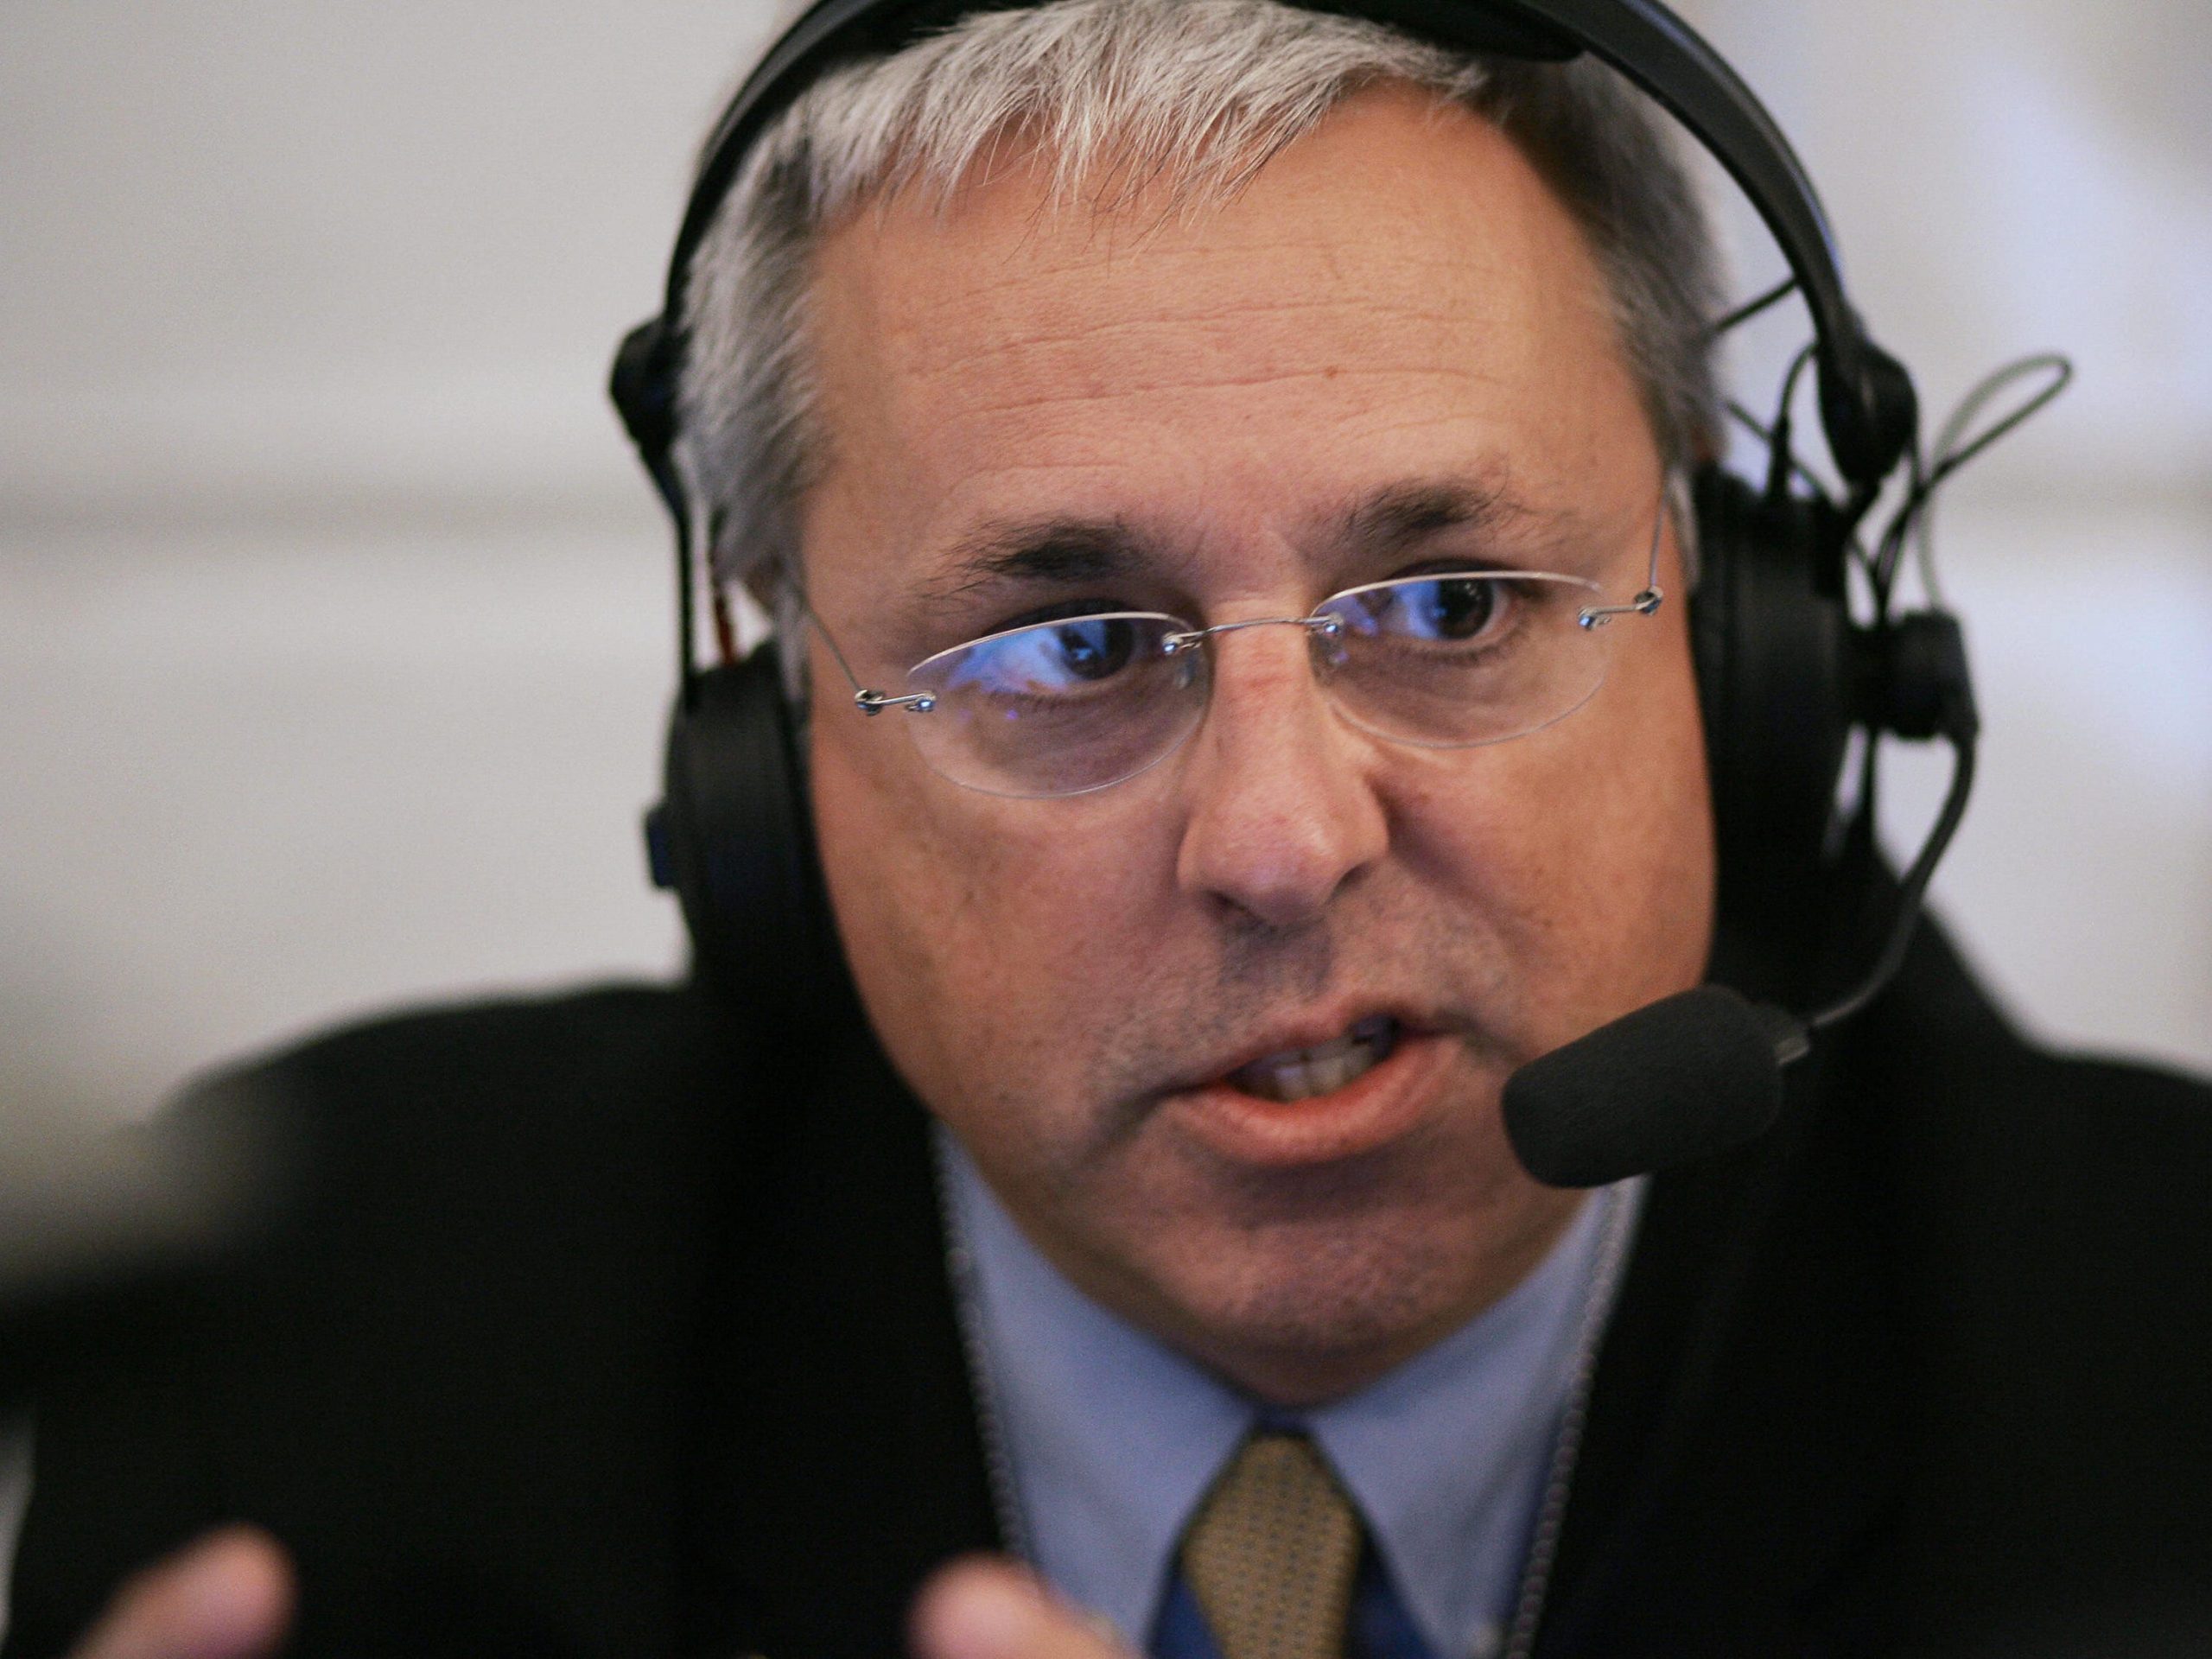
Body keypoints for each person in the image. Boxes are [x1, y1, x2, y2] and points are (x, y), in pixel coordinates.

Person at [10, 1, 2211, 1656]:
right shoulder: (304, 1386)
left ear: (1745, 659)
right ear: (774, 761)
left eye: (1448, 605)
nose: (1279, 839)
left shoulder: (2152, 1373)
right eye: (1072, 651)